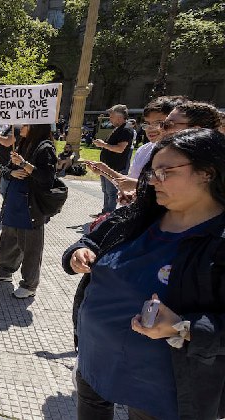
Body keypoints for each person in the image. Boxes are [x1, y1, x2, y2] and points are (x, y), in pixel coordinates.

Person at [64, 128, 225, 420]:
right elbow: (91, 239)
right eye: (152, 172)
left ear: (207, 173)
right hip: (95, 360)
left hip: (160, 388)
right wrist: (78, 252)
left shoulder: (218, 241)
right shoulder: (142, 213)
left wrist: (182, 327)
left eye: (165, 172)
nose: (152, 180)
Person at [0, 124, 56, 298]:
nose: (19, 127)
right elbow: (6, 168)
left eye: (24, 124)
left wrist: (24, 165)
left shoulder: (46, 148)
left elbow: (47, 178)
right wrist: (12, 173)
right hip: (14, 201)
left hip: (31, 205)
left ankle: (29, 285)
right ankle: (4, 272)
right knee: (9, 239)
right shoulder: (23, 143)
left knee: (31, 246)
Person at [92, 104, 134, 216]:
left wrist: (103, 145)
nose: (109, 118)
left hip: (116, 168)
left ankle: (109, 215)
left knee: (112, 192)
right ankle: (105, 212)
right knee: (106, 191)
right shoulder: (118, 129)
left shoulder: (126, 130)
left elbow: (120, 149)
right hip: (107, 167)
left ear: (119, 117)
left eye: (111, 116)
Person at [0, 125, 20, 224]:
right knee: (3, 190)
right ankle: (3, 212)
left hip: (8, 163)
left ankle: (5, 214)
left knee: (6, 191)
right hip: (3, 164)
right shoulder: (9, 127)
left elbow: (7, 142)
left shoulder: (17, 127)